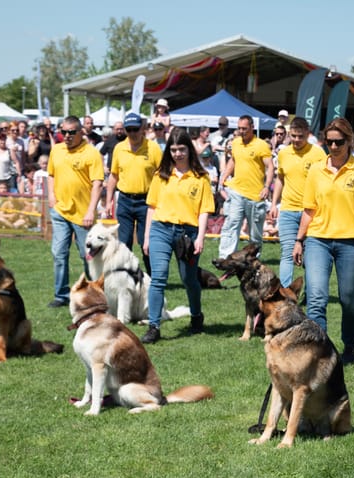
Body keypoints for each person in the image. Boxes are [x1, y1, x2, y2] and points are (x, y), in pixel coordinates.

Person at [292, 117, 354, 364]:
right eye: (328, 142)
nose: (333, 147)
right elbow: (309, 209)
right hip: (318, 239)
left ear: (349, 140)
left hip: (351, 241)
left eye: (338, 142)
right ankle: (320, 353)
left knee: (349, 299)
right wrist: (299, 240)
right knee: (316, 297)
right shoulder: (316, 169)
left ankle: (350, 345)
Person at [140, 129, 215, 344]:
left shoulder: (201, 177)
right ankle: (154, 326)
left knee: (189, 279)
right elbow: (152, 207)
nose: (177, 154)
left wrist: (200, 237)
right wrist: (147, 237)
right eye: (173, 150)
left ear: (189, 149)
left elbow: (204, 210)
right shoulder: (160, 175)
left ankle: (196, 316)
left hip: (188, 234)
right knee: (159, 277)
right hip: (160, 230)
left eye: (181, 149)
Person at [46, 115, 104, 307]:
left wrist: (90, 211)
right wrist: (51, 195)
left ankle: (95, 292)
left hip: (83, 214)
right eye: (63, 132)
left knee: (87, 255)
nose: (67, 136)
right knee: (59, 252)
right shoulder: (57, 150)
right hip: (60, 211)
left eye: (71, 132)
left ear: (81, 132)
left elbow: (97, 184)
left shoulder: (91, 153)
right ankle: (61, 295)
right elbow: (51, 174)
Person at [269, 117, 326, 287]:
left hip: (311, 212)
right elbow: (280, 179)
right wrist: (274, 203)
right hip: (287, 210)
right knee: (287, 253)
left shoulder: (318, 154)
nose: (296, 140)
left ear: (308, 134)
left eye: (300, 136)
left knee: (311, 256)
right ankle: (285, 293)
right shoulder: (283, 153)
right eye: (293, 136)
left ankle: (311, 294)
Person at [106, 112, 163, 274]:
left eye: (135, 129)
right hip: (124, 200)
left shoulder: (153, 148)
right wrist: (109, 200)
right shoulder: (119, 148)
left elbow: (162, 175)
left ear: (142, 129)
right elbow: (114, 175)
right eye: (129, 129)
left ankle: (153, 279)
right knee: (124, 243)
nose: (132, 133)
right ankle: (126, 277)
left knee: (147, 243)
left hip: (147, 202)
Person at [217, 115, 274, 258]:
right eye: (239, 128)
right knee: (231, 225)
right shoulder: (236, 143)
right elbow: (233, 160)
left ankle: (252, 259)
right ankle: (225, 258)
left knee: (255, 233)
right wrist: (224, 175)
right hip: (236, 191)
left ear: (252, 128)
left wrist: (266, 187)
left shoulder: (261, 145)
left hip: (255, 195)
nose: (241, 131)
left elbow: (270, 166)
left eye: (244, 128)